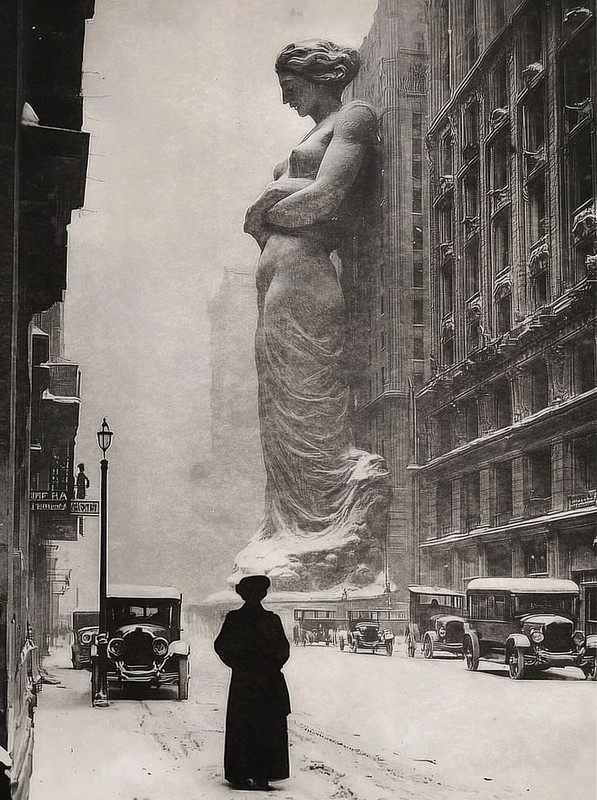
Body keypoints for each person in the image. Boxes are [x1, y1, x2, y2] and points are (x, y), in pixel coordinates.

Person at [240, 39, 388, 577]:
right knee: (278, 411)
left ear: (320, 76)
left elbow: (327, 198)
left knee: (311, 408)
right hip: (278, 282)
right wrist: (276, 208)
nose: (287, 99)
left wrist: (266, 206)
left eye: (291, 86)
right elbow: (296, 203)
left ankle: (321, 528)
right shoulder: (313, 134)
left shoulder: (354, 117)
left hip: (306, 280)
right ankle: (286, 529)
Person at [214, 575, 290, 791]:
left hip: (244, 683)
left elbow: (221, 646)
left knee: (243, 727)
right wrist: (270, 666)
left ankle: (240, 773)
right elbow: (283, 650)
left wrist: (239, 665)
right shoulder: (271, 620)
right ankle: (263, 774)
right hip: (268, 682)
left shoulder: (235, 619)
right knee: (266, 728)